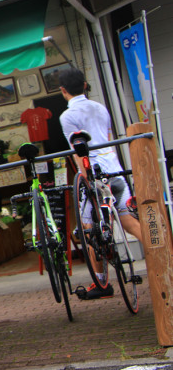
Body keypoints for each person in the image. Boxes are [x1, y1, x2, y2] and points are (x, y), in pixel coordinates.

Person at [58, 67, 143, 299]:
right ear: (85, 85)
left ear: (63, 91)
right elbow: (106, 139)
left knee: (89, 229)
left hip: (94, 173)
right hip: (115, 168)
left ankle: (102, 283)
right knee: (128, 220)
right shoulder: (101, 108)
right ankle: (164, 258)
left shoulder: (67, 117)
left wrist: (84, 180)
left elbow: (79, 151)